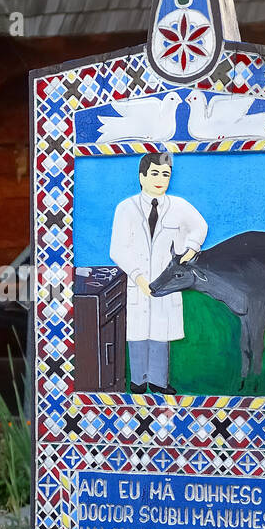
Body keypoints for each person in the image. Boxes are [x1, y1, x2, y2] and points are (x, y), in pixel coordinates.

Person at [109, 150, 207, 393]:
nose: (160, 179)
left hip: (165, 280)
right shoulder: (126, 208)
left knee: (161, 331)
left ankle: (159, 381)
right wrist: (138, 277)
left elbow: (200, 227)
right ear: (142, 177)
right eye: (154, 173)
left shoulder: (179, 206)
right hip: (137, 281)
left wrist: (190, 250)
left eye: (166, 174)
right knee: (139, 331)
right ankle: (139, 381)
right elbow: (117, 248)